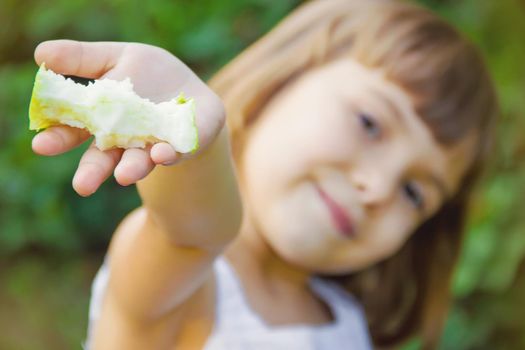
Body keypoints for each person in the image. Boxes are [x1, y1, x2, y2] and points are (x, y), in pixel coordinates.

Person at [31, 0, 498, 349]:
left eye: (414, 192)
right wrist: (183, 130)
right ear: (277, 83)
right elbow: (193, 234)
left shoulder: (347, 324)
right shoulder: (185, 283)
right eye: (370, 123)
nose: (376, 188)